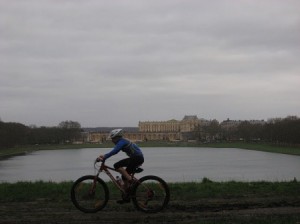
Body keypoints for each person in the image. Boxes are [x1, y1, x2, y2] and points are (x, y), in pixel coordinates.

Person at [97, 129, 144, 203]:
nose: (112, 140)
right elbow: (114, 150)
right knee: (124, 176)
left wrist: (105, 157)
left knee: (117, 165)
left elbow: (115, 151)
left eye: (112, 139)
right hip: (136, 158)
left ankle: (132, 181)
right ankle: (126, 197)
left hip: (136, 158)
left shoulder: (122, 141)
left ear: (116, 137)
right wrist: (104, 156)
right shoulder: (123, 140)